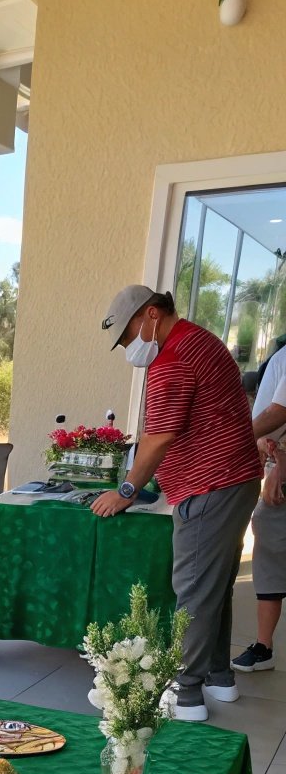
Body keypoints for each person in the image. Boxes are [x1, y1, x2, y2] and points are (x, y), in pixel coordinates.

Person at [93, 285, 261, 721]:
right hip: (235, 480)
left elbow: (159, 438)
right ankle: (219, 678)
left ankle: (185, 694)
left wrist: (126, 491)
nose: (129, 347)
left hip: (211, 486)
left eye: (128, 336)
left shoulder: (174, 358)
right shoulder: (197, 339)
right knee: (215, 585)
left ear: (151, 314)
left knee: (193, 589)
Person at [233, 340, 286, 673]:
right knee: (268, 555)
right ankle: (264, 647)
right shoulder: (279, 357)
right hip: (277, 463)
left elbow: (279, 412)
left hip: (281, 468)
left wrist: (279, 468)